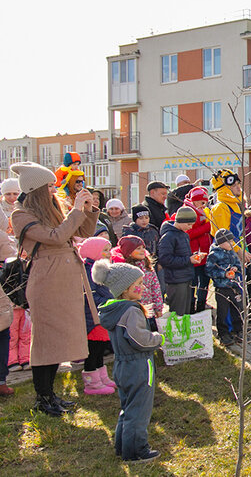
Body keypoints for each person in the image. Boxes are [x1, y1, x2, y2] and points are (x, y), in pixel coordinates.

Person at [10, 161, 99, 416]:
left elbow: (84, 230)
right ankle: (43, 397)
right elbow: (55, 237)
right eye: (49, 186)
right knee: (45, 342)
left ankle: (51, 394)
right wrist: (74, 212)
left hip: (65, 277)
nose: (54, 190)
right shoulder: (20, 214)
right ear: (35, 188)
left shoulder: (52, 206)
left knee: (59, 339)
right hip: (47, 279)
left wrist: (88, 207)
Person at [93, 260, 162, 463]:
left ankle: (122, 446)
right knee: (139, 410)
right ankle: (136, 450)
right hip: (138, 365)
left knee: (128, 407)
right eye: (137, 284)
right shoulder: (131, 311)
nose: (142, 288)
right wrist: (158, 338)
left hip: (122, 365)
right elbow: (139, 339)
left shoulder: (114, 311)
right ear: (124, 289)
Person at [78, 237, 117, 396]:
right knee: (93, 348)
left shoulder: (101, 266)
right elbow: (90, 294)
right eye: (105, 250)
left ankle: (101, 377)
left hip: (102, 312)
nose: (109, 253)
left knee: (101, 347)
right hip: (93, 315)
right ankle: (91, 382)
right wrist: (108, 302)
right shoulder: (88, 269)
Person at [205, 229, 244, 346]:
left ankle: (238, 330)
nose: (232, 244)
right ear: (221, 242)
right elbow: (209, 271)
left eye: (232, 241)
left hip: (234, 286)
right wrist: (224, 274)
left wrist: (236, 270)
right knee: (222, 312)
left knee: (237, 309)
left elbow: (238, 265)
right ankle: (223, 333)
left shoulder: (232, 252)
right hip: (222, 287)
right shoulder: (214, 254)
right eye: (229, 242)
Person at [158, 206, 199, 315]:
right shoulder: (168, 236)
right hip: (175, 280)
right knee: (178, 312)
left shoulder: (184, 235)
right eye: (188, 224)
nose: (190, 227)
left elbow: (182, 254)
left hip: (186, 277)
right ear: (180, 221)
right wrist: (188, 260)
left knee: (186, 311)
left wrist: (194, 257)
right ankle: (176, 332)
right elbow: (165, 259)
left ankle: (184, 331)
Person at [209, 169, 243, 241]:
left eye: (238, 184)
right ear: (224, 189)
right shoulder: (220, 207)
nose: (238, 187)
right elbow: (224, 238)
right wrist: (239, 252)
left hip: (236, 248)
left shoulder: (234, 205)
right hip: (225, 251)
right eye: (234, 185)